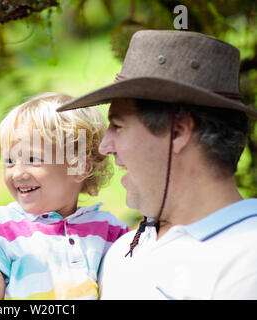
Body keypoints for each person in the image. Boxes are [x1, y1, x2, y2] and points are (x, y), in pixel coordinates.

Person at [57, 30, 257, 299]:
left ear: (177, 132)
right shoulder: (122, 250)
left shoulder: (247, 256)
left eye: (117, 126)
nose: (104, 147)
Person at [0, 92, 129, 299]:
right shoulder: (4, 226)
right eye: (10, 161)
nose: (17, 173)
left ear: (78, 167)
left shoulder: (111, 231)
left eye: (32, 159)